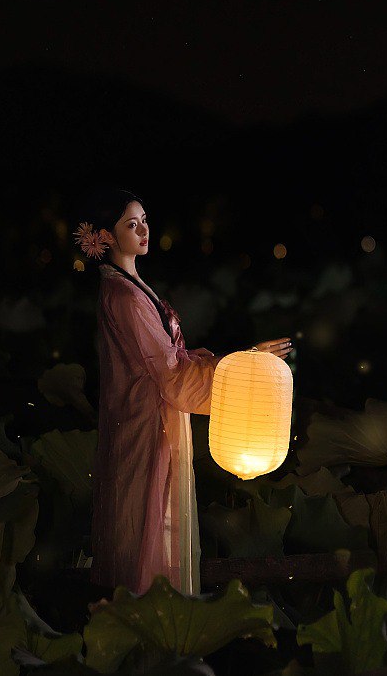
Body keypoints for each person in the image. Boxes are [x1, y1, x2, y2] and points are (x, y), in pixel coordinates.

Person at [75, 188, 292, 595]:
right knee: (146, 525)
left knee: (149, 523)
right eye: (131, 224)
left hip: (149, 417)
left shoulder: (129, 285)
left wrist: (242, 359)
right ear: (105, 236)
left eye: (144, 220)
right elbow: (171, 375)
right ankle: (146, 616)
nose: (144, 231)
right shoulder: (124, 295)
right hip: (145, 424)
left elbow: (170, 361)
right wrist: (242, 365)